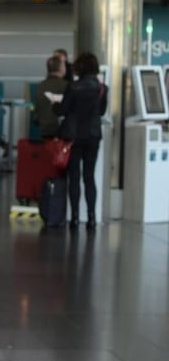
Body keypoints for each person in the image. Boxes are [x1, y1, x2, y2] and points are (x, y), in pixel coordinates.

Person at [55, 52, 107, 230]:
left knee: (74, 177)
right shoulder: (102, 88)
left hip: (74, 137)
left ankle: (75, 218)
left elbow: (62, 110)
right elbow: (101, 112)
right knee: (89, 177)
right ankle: (92, 218)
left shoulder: (73, 87)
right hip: (93, 136)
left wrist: (55, 105)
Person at [34, 55, 68, 139]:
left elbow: (35, 108)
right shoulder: (66, 86)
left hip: (44, 130)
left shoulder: (40, 86)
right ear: (61, 68)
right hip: (61, 131)